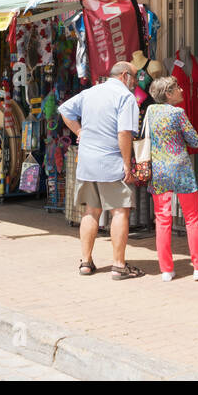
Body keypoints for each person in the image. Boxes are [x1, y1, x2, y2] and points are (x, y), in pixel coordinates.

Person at [59, 61, 145, 280]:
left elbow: (65, 110)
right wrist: (127, 164)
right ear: (125, 76)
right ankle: (118, 265)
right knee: (120, 210)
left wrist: (80, 132)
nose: (135, 82)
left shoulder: (91, 92)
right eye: (134, 77)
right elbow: (124, 133)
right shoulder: (126, 98)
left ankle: (86, 263)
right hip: (111, 161)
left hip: (87, 161)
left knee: (91, 211)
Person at [146, 75, 198, 282]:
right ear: (168, 93)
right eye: (177, 88)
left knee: (162, 220)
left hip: (159, 170)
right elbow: (194, 140)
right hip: (181, 169)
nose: (182, 91)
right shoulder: (178, 113)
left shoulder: (151, 111)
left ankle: (166, 270)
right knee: (192, 219)